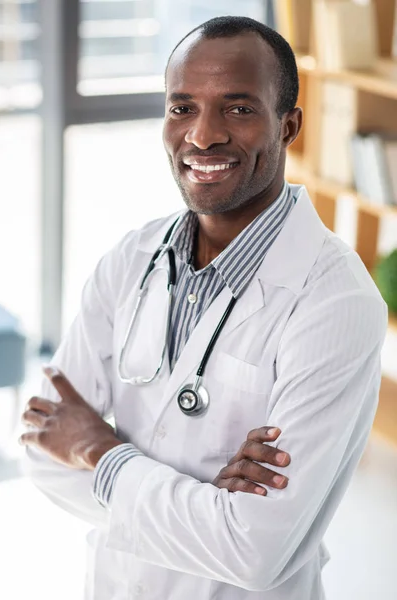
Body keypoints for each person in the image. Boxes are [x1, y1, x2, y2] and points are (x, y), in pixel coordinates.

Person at [21, 16, 387, 600]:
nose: (202, 135)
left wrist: (100, 450)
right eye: (182, 106)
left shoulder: (335, 302)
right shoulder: (130, 259)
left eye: (238, 109)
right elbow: (41, 452)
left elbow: (254, 551)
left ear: (288, 124)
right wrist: (205, 504)